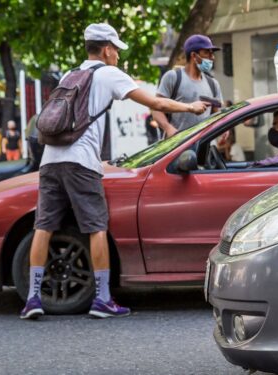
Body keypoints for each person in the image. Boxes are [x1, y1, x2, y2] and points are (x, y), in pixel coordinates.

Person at [20, 23, 209, 320]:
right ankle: (103, 299)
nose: (118, 56)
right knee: (96, 227)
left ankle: (32, 298)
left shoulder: (70, 75)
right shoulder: (108, 74)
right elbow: (155, 102)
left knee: (43, 226)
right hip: (81, 161)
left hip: (50, 160)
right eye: (117, 50)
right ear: (106, 49)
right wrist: (191, 108)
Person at [151, 34, 223, 137]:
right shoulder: (173, 77)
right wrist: (168, 128)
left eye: (212, 53)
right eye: (207, 53)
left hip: (204, 147)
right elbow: (156, 108)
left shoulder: (213, 84)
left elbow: (217, 114)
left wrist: (223, 129)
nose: (212, 57)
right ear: (194, 55)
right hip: (178, 147)